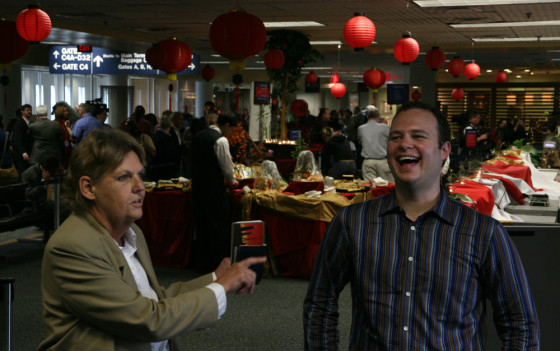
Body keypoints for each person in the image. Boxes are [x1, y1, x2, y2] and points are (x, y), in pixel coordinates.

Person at [304, 101, 539, 350]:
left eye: (418, 136)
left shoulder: (483, 232)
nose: (405, 143)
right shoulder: (353, 222)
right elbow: (320, 305)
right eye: (396, 137)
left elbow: (520, 324)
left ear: (444, 150)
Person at [39, 129, 265, 351]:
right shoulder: (73, 247)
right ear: (89, 188)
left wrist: (217, 275)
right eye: (124, 177)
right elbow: (147, 320)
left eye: (140, 175)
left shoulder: (132, 233)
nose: (140, 187)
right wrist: (222, 285)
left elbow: (155, 300)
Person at [192, 114, 238, 273]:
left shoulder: (198, 136)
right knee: (217, 226)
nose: (231, 133)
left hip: (198, 187)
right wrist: (233, 181)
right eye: (231, 129)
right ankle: (216, 264)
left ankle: (202, 263)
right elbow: (226, 167)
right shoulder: (220, 140)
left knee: (202, 224)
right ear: (226, 125)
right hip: (214, 189)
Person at [21, 155, 70, 241]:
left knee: (74, 204)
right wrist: (43, 181)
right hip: (40, 203)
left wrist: (63, 172)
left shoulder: (56, 169)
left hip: (58, 199)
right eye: (53, 172)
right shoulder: (28, 174)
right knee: (64, 208)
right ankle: (64, 237)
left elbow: (68, 185)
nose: (55, 174)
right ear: (45, 170)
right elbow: (30, 195)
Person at [357, 108, 394, 182]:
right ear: (378, 117)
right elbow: (392, 141)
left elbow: (359, 142)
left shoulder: (361, 128)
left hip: (368, 162)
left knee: (371, 187)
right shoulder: (385, 127)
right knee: (387, 186)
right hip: (383, 162)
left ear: (367, 116)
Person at [11, 104, 33, 177]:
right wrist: (23, 152)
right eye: (27, 110)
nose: (29, 112)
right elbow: (17, 140)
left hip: (27, 153)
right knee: (22, 174)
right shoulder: (19, 123)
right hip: (21, 155)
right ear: (22, 112)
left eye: (30, 110)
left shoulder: (30, 123)